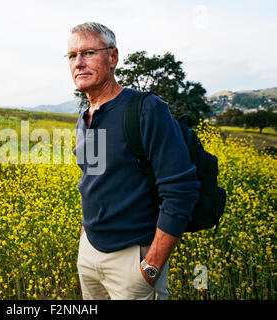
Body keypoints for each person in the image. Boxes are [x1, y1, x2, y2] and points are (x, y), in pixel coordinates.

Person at [69, 22, 201, 300]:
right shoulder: (84, 118)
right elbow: (93, 180)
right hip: (89, 253)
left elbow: (181, 190)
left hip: (133, 259)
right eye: (72, 56)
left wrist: (151, 266)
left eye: (89, 53)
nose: (78, 63)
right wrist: (85, 234)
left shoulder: (146, 109)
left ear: (113, 57)